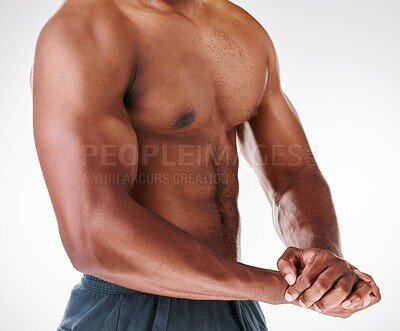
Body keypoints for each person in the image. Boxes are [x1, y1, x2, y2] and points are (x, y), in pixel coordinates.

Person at [32, 0, 380, 330]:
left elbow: (292, 173)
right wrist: (283, 289)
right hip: (136, 307)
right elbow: (93, 235)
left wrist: (323, 266)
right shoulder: (85, 31)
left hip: (237, 304)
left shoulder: (243, 31)